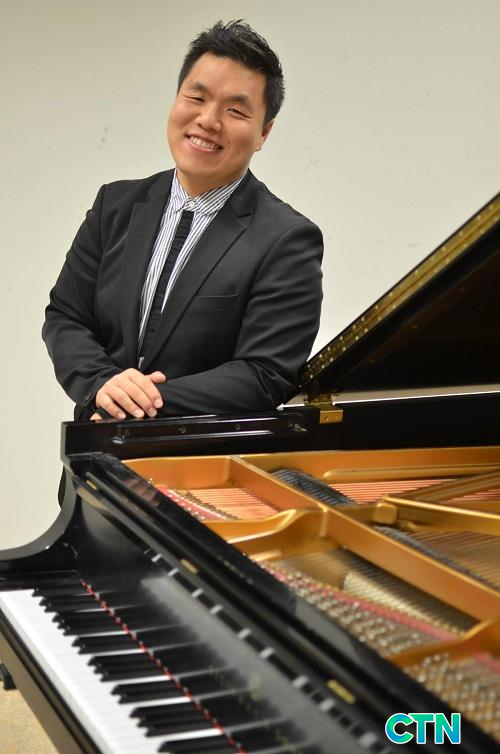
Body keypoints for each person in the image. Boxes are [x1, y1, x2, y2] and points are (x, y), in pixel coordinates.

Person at [43, 20, 323, 422]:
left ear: (264, 133)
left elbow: (264, 373)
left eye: (235, 110)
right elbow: (66, 316)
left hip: (201, 456)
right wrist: (102, 383)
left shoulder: (287, 239)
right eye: (197, 97)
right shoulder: (114, 205)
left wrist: (138, 404)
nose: (208, 120)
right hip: (96, 445)